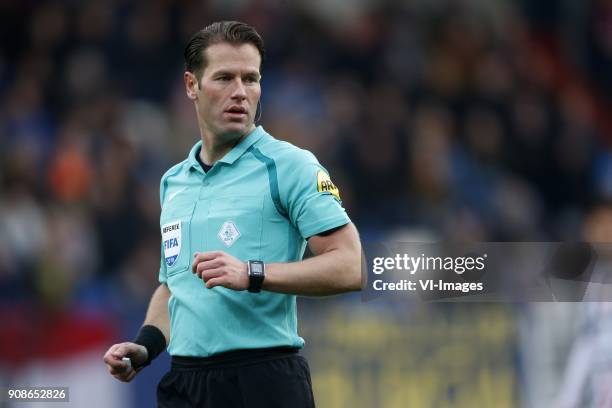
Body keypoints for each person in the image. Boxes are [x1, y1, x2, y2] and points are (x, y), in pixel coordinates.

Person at [103, 20, 362, 407]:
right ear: (191, 85)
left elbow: (350, 265)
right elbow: (174, 287)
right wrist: (145, 346)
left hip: (264, 380)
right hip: (185, 384)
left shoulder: (290, 166)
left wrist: (252, 273)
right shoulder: (173, 182)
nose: (240, 92)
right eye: (224, 78)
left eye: (251, 79)